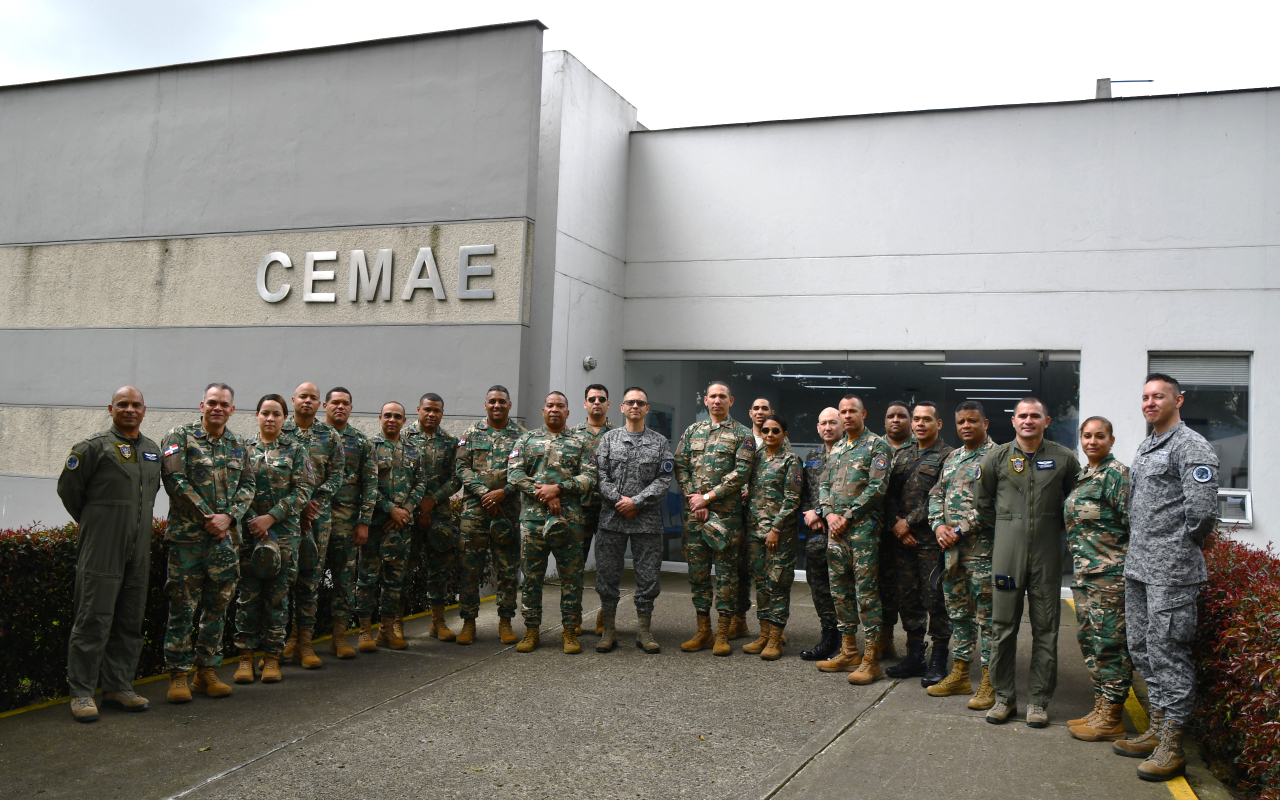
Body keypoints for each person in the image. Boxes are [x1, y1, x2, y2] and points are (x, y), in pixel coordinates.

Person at [1113, 374, 1218, 782]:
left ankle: (1172, 744)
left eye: (1159, 396)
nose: (1150, 402)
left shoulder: (1190, 446)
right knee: (1142, 647)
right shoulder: (1148, 444)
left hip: (1171, 572)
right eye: (1145, 396)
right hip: (1140, 567)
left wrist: (1177, 547)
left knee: (1168, 650)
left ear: (1179, 400)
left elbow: (1203, 512)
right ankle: (1157, 726)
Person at [58, 386, 162, 722]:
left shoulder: (151, 450)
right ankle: (83, 693)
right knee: (93, 618)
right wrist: (98, 522)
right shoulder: (92, 448)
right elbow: (70, 491)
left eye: (136, 404)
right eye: (123, 404)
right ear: (111, 408)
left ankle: (119, 688)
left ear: (145, 410)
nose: (130, 409)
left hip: (139, 548)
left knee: (130, 619)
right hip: (102, 546)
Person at [975, 397, 1079, 727]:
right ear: (1013, 420)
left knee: (1046, 629)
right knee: (1002, 628)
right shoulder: (996, 458)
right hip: (1007, 553)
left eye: (1035, 415)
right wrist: (1010, 527)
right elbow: (983, 504)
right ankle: (1004, 698)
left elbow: (1074, 502)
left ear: (1047, 421)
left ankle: (1038, 701)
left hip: (1047, 554)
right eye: (1023, 416)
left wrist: (1049, 525)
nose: (1028, 421)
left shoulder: (1064, 459)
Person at [160, 383, 256, 703]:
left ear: (232, 409)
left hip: (225, 541)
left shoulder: (240, 444)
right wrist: (207, 516)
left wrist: (227, 517)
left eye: (224, 404)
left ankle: (207, 671)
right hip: (188, 539)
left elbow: (248, 485)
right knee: (182, 608)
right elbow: (174, 479)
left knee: (217, 607)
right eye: (212, 402)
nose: (217, 408)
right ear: (202, 405)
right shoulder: (179, 436)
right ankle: (178, 675)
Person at [233, 395, 315, 685]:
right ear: (256, 415)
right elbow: (237, 488)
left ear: (284, 418)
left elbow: (303, 490)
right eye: (265, 413)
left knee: (278, 598)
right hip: (249, 533)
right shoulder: (243, 449)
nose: (270, 418)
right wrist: (254, 519)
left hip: (284, 534)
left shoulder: (296, 450)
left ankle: (272, 657)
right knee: (248, 597)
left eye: (276, 414)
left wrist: (271, 517)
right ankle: (246, 658)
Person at [509, 392, 597, 654]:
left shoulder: (581, 442)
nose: (555, 409)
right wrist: (544, 493)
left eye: (560, 406)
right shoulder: (526, 439)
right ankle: (531, 630)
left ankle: (569, 631)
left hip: (570, 522)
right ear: (543, 410)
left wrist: (558, 488)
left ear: (568, 413)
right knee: (532, 579)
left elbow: (590, 477)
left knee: (572, 579)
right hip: (533, 522)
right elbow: (514, 473)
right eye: (550, 406)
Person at [1063, 416, 1133, 742]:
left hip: (1110, 576)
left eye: (1099, 436)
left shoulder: (1116, 475)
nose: (1092, 441)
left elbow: (1134, 524)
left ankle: (1113, 716)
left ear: (1111, 440)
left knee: (1110, 645)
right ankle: (1100, 707)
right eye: (1087, 436)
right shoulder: (1084, 476)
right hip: (1086, 574)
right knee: (1089, 642)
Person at [673, 381, 755, 656]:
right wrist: (693, 497)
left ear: (731, 401)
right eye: (713, 396)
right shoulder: (692, 431)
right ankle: (703, 631)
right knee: (697, 575)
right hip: (695, 516)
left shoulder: (743, 435)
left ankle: (722, 633)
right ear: (705, 401)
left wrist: (707, 498)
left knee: (726, 576)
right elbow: (680, 465)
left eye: (723, 396)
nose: (717, 400)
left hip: (727, 517)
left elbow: (741, 473)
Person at [816, 394, 891, 685]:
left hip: (862, 531)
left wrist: (846, 514)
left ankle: (871, 659)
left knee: (867, 594)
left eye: (852, 412)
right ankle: (849, 651)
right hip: (836, 531)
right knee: (840, 591)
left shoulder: (876, 445)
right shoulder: (836, 449)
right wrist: (829, 513)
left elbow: (878, 486)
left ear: (863, 414)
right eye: (843, 412)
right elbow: (824, 484)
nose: (847, 416)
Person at [927, 401, 997, 709]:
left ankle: (989, 681)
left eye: (972, 420)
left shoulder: (997, 457)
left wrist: (959, 529)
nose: (966, 426)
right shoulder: (953, 458)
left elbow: (995, 504)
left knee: (988, 620)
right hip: (951, 555)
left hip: (982, 554)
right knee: (959, 616)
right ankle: (959, 674)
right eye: (961, 422)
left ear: (986, 423)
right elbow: (936, 495)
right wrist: (938, 525)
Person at [593, 386, 675, 653]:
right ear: (622, 407)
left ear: (647, 408)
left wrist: (636, 502)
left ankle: (644, 631)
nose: (635, 407)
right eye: (630, 402)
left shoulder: (660, 442)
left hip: (646, 520)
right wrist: (620, 501)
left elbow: (665, 479)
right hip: (612, 519)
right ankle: (608, 631)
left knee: (648, 577)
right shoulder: (608, 440)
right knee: (607, 576)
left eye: (641, 403)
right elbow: (600, 475)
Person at [884, 402, 953, 685]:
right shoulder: (901, 455)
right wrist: (896, 526)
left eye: (927, 419)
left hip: (930, 541)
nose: (920, 424)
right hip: (903, 541)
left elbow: (940, 495)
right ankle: (915, 656)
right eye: (917, 419)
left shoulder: (948, 456)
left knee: (935, 599)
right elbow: (887, 494)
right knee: (908, 599)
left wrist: (908, 522)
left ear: (939, 424)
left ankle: (938, 659)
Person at [454, 386, 527, 645]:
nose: (497, 405)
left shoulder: (522, 436)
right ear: (485, 405)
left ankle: (505, 621)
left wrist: (503, 492)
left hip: (508, 513)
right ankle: (468, 622)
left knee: (507, 569)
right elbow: (461, 468)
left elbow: (526, 471)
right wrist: (485, 493)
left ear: (509, 405)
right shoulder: (471, 434)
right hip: (475, 512)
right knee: (469, 568)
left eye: (502, 402)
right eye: (492, 401)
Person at [280, 382, 345, 670]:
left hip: (317, 518)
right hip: (283, 519)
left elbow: (337, 475)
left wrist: (313, 500)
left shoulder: (329, 435)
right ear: (293, 400)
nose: (307, 401)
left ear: (320, 404)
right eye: (303, 396)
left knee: (310, 581)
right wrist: (296, 503)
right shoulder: (278, 429)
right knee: (281, 581)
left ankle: (303, 642)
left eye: (313, 398)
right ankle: (277, 645)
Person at [355, 402, 426, 652]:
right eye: (388, 415)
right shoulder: (369, 447)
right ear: (380, 418)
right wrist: (389, 509)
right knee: (367, 579)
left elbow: (421, 483)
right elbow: (365, 485)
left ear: (405, 421)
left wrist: (405, 510)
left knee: (395, 582)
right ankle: (365, 631)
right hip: (375, 524)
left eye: (397, 416)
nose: (392, 420)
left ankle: (386, 630)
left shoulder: (413, 449)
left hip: (402, 527)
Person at [741, 415, 803, 661]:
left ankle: (776, 638)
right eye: (765, 430)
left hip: (780, 534)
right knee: (762, 584)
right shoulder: (755, 458)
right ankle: (764, 634)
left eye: (775, 430)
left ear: (784, 434)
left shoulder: (791, 460)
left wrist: (776, 528)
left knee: (778, 584)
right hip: (755, 531)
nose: (769, 434)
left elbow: (792, 499)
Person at [322, 388, 377, 658]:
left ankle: (339, 637)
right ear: (325, 406)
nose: (340, 407)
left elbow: (370, 484)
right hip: (314, 521)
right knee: (304, 582)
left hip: (346, 523)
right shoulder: (312, 438)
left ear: (351, 408)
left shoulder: (362, 442)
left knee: (344, 582)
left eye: (345, 403)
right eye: (335, 403)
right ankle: (297, 638)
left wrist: (364, 522)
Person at [403, 393, 462, 642]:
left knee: (439, 568)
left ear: (442, 413)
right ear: (418, 409)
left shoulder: (450, 442)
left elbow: (457, 477)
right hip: (406, 512)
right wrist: (416, 506)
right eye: (427, 409)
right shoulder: (403, 438)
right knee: (402, 567)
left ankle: (438, 621)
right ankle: (395, 623)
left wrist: (431, 501)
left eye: (436, 411)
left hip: (438, 513)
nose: (431, 414)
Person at [730, 396, 778, 640]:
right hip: (738, 514)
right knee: (739, 571)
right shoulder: (741, 438)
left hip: (765, 518)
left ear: (772, 412)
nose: (760, 412)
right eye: (756, 408)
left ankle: (771, 627)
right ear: (750, 413)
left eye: (765, 409)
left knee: (766, 574)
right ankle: (739, 620)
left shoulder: (779, 439)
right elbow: (732, 471)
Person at [799, 407, 844, 661]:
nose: (828, 427)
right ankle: (828, 637)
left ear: (842, 426)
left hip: (841, 533)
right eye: (823, 423)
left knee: (843, 589)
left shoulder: (850, 455)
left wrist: (819, 511)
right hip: (816, 535)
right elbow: (805, 490)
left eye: (833, 423)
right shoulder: (813, 456)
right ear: (817, 428)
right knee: (819, 588)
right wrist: (808, 513)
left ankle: (847, 640)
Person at [570, 383, 613, 636]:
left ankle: (604, 617)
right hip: (579, 509)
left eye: (601, 398)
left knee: (608, 567)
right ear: (585, 404)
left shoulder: (619, 434)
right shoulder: (572, 435)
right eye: (591, 399)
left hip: (609, 510)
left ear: (609, 404)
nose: (596, 402)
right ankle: (573, 617)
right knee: (574, 565)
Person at [878, 400, 914, 657]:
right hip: (878, 530)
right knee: (882, 587)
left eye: (902, 416)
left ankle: (914, 645)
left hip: (911, 532)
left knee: (912, 591)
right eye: (891, 416)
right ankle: (885, 639)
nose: (896, 420)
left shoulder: (922, 447)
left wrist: (907, 523)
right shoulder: (874, 446)